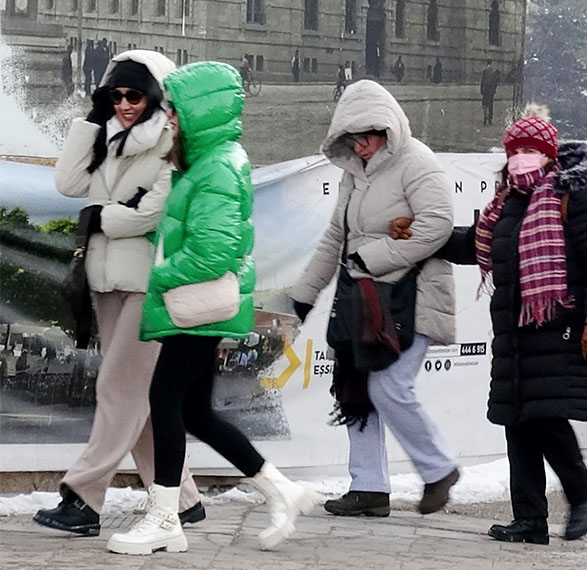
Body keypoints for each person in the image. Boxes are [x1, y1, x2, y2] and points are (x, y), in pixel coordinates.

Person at [105, 61, 316, 555]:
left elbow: (213, 250)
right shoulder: (205, 160)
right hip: (196, 305)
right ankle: (280, 490)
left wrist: (158, 275)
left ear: (200, 110)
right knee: (193, 410)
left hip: (194, 304)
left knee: (165, 400)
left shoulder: (219, 165)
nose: (169, 117)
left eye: (175, 108)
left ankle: (164, 517)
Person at [35, 50, 205, 538]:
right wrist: (90, 122)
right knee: (137, 398)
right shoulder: (106, 136)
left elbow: (152, 214)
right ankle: (183, 499)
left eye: (134, 95)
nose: (125, 104)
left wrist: (98, 217)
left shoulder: (170, 140)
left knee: (116, 390)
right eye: (116, 95)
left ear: (155, 96)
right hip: (105, 280)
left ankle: (84, 498)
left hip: (149, 283)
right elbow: (68, 183)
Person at [434, 105, 587, 544]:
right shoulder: (506, 203)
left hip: (560, 327)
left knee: (547, 418)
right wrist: (424, 237)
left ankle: (583, 495)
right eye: (515, 151)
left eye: (530, 151)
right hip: (516, 333)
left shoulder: (574, 197)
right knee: (518, 423)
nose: (521, 158)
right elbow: (477, 244)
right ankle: (530, 520)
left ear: (549, 155)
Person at [290, 80, 461, 519]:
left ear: (388, 129)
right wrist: (304, 296)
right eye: (352, 139)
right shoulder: (353, 174)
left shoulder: (418, 162)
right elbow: (335, 238)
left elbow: (437, 226)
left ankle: (439, 469)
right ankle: (368, 486)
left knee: (388, 386)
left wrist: (372, 257)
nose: (361, 147)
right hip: (364, 300)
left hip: (413, 298)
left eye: (368, 137)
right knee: (356, 390)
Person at [480, 61, 499, 126]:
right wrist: (494, 90)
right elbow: (495, 82)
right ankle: (490, 120)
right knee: (490, 105)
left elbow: (482, 81)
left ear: (487, 64)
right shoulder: (493, 72)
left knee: (485, 105)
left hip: (485, 90)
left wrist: (481, 89)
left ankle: (485, 119)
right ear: (491, 64)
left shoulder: (484, 71)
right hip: (491, 91)